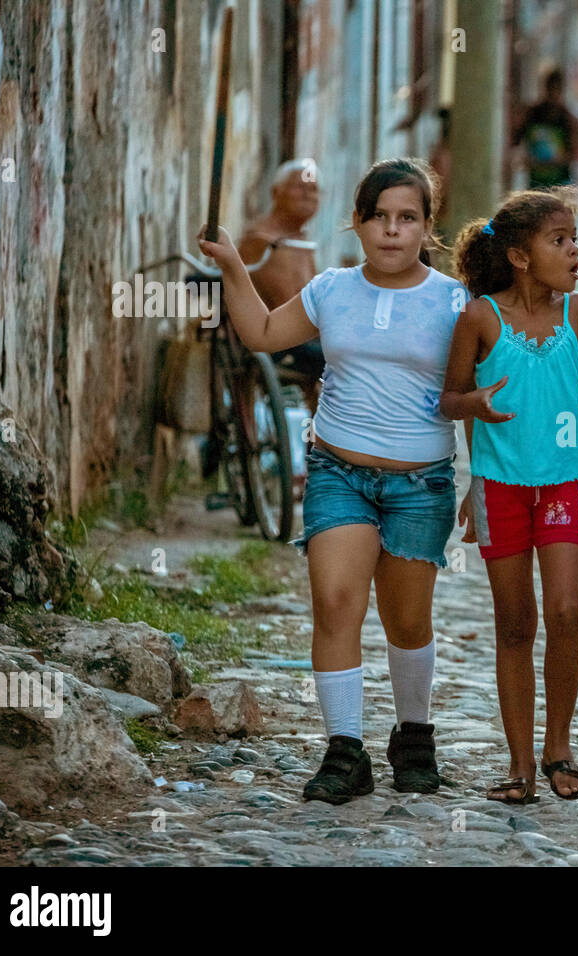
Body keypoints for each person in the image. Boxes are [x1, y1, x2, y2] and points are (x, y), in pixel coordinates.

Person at [198, 158, 465, 805]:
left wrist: (480, 481)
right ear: (358, 222)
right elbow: (261, 333)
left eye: (407, 218)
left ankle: (414, 735)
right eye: (378, 217)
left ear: (428, 226)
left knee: (407, 620)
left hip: (419, 484)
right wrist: (234, 266)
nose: (392, 232)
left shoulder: (455, 301)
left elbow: (470, 396)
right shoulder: (331, 290)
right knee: (337, 604)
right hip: (337, 473)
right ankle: (345, 751)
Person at [439, 188, 578, 803]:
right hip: (500, 487)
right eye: (558, 240)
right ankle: (519, 766)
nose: (574, 250)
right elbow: (449, 398)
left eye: (574, 240)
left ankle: (558, 747)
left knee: (565, 613)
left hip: (564, 481)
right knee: (515, 623)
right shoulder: (480, 318)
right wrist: (473, 409)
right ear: (519, 256)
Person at [238, 158, 326, 416]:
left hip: (303, 336)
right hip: (276, 338)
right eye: (300, 187)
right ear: (276, 193)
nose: (308, 195)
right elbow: (287, 302)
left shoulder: (300, 241)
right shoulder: (262, 239)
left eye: (313, 189)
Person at [512, 69, 578, 189]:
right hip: (536, 182)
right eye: (550, 89)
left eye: (556, 89)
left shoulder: (567, 118)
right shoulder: (532, 114)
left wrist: (553, 161)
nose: (553, 95)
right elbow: (515, 142)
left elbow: (574, 153)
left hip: (560, 183)